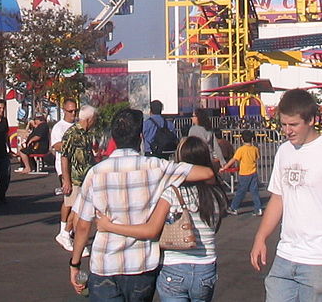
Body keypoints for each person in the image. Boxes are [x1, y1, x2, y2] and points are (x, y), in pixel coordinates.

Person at [69, 108, 217, 301]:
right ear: (140, 137)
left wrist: (75, 264)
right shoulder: (156, 167)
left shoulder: (96, 173)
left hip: (105, 263)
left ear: (113, 137)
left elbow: (83, 225)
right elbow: (206, 173)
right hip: (142, 265)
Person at [249, 89, 322, 301]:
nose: (287, 131)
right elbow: (278, 198)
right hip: (286, 256)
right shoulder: (284, 151)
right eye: (283, 125)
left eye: (293, 125)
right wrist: (261, 237)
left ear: (311, 120)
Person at [95, 135, 228, 301]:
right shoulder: (217, 194)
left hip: (174, 266)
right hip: (206, 266)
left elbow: (151, 230)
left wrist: (109, 226)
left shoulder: (172, 193)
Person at [56, 105, 99, 252]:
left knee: (78, 210)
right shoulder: (72, 133)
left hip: (86, 178)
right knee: (77, 211)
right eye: (94, 118)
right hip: (75, 179)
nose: (95, 121)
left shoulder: (87, 134)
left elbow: (89, 156)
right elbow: (64, 157)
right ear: (89, 119)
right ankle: (73, 239)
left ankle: (66, 234)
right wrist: (66, 180)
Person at [51, 99, 80, 247]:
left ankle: (71, 231)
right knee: (69, 200)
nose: (73, 114)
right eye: (70, 111)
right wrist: (72, 145)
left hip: (78, 169)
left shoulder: (78, 126)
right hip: (64, 169)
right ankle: (63, 230)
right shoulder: (59, 127)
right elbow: (56, 146)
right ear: (64, 110)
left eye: (75, 111)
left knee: (77, 202)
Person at [225, 129, 262, 216]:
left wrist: (225, 167)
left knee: (241, 192)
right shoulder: (255, 149)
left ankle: (234, 207)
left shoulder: (241, 150)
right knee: (254, 192)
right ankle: (258, 208)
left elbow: (234, 159)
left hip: (244, 173)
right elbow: (257, 158)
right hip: (253, 172)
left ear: (242, 139)